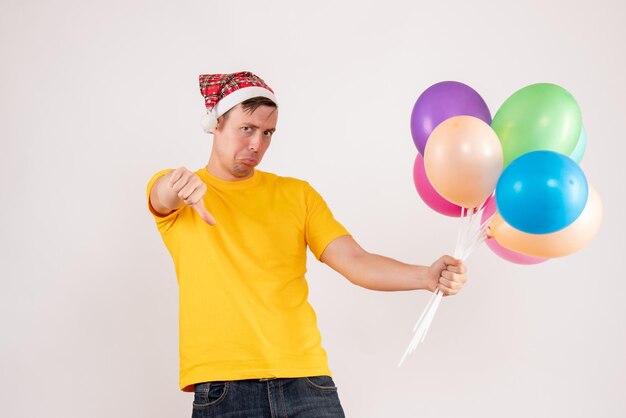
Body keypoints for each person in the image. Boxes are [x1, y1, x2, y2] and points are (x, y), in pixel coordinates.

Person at [146, 71, 468, 418]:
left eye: (268, 133)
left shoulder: (296, 194)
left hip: (305, 381)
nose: (257, 144)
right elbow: (161, 196)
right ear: (216, 123)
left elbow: (354, 259)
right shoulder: (183, 197)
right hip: (224, 387)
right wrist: (176, 185)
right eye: (247, 129)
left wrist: (425, 277)